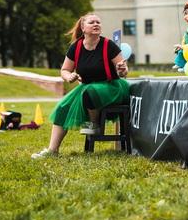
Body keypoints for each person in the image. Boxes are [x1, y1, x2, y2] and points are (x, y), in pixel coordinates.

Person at [32, 13, 130, 159]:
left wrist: (121, 69)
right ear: (83, 28)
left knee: (90, 92)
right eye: (92, 22)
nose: (96, 24)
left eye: (98, 22)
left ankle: (94, 124)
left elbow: (123, 73)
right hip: (87, 87)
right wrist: (69, 76)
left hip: (112, 87)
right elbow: (65, 70)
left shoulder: (109, 45)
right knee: (63, 107)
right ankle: (52, 150)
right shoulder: (75, 47)